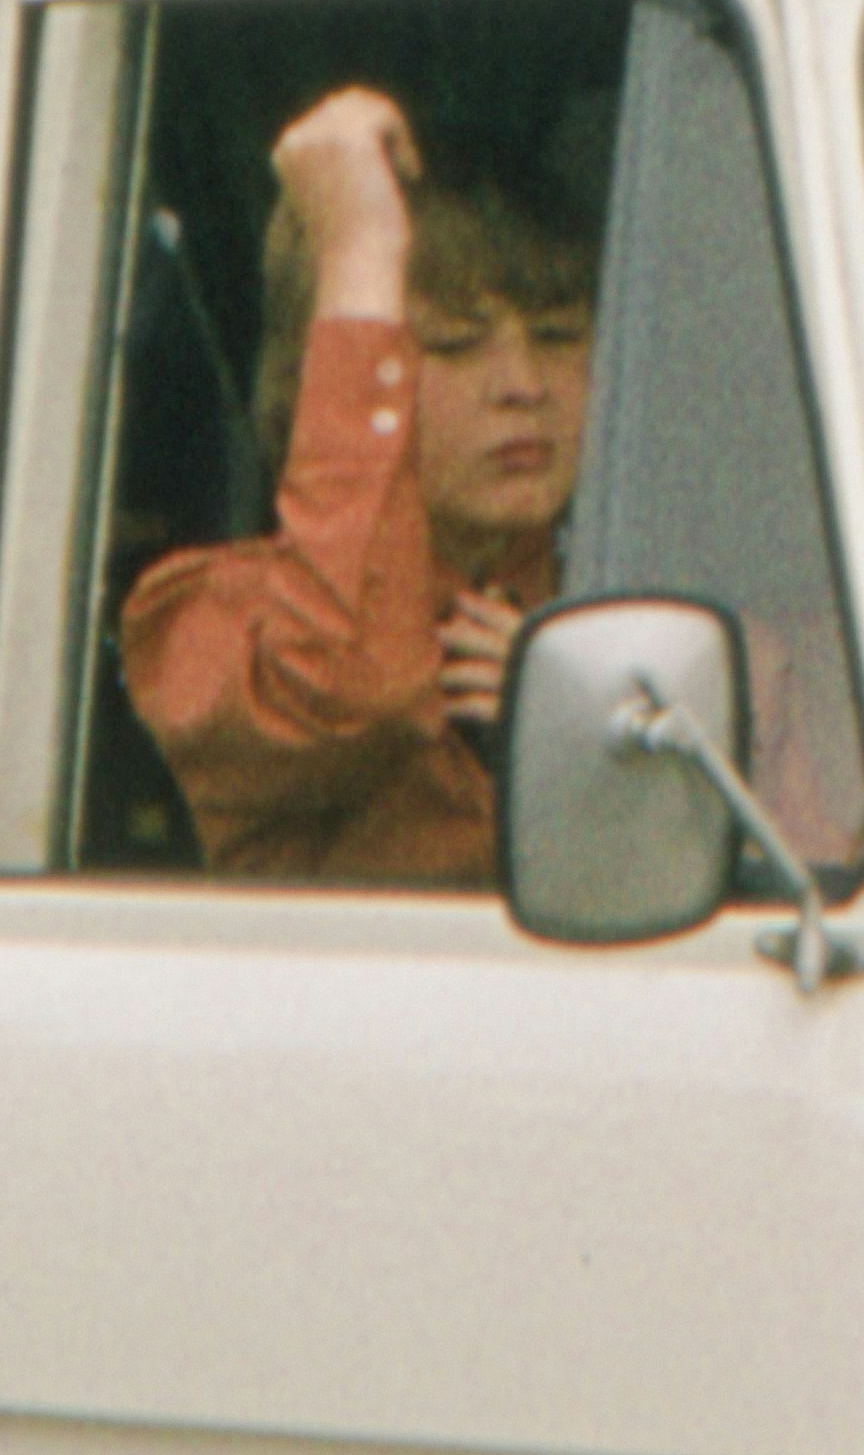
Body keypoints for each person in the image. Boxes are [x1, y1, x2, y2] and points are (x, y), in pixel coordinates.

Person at [117, 86, 594, 880]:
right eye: (452, 345)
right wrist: (360, 249)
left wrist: (591, 722)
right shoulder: (213, 621)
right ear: (330, 374)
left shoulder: (657, 619)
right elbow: (343, 690)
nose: (522, 384)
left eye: (557, 336)